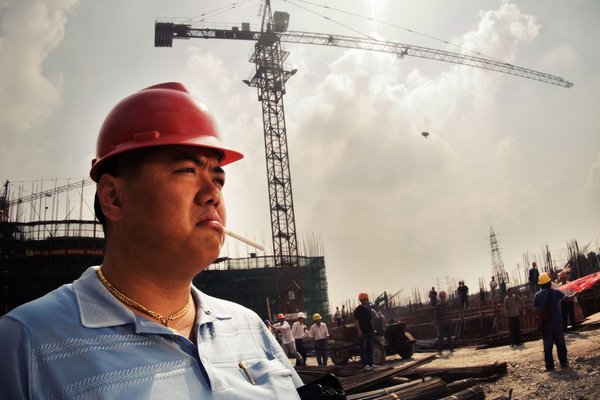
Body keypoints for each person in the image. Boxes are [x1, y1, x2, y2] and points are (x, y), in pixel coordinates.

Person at [0, 82, 303, 399]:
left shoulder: (249, 328)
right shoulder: (24, 345)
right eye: (187, 170)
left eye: (218, 179)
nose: (212, 194)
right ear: (114, 197)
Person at [533, 272, 573, 371]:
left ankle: (550, 366)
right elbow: (567, 299)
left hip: (546, 324)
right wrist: (576, 292)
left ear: (540, 285)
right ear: (549, 283)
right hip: (557, 322)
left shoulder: (537, 296)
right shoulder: (556, 292)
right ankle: (563, 362)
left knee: (547, 346)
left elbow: (536, 309)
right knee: (560, 343)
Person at [354, 292, 376, 369]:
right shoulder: (358, 310)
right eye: (366, 299)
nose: (367, 300)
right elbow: (357, 321)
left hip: (369, 331)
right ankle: (365, 365)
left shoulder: (368, 309)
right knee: (364, 349)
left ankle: (371, 363)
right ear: (362, 300)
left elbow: (370, 320)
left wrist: (373, 329)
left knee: (370, 348)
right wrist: (359, 331)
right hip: (363, 332)